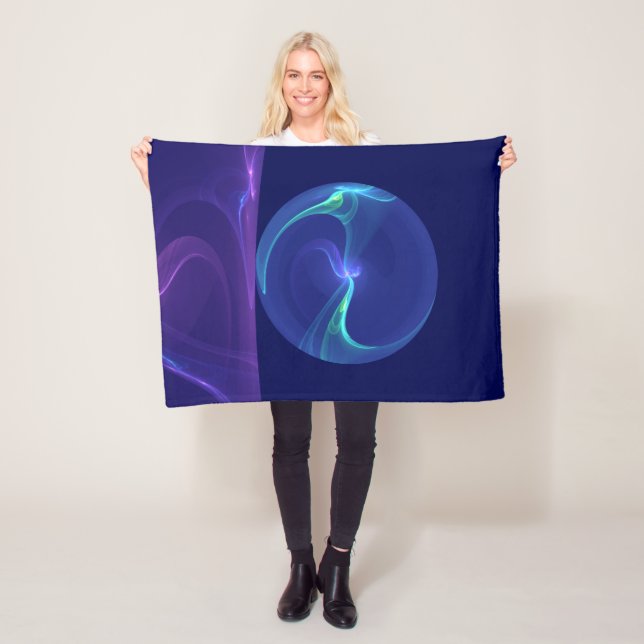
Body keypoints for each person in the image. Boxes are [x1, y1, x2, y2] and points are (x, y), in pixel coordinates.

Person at [130, 30, 517, 631]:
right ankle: (300, 563)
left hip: (360, 318)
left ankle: (338, 564)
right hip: (284, 317)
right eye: (294, 74)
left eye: (316, 74)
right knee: (290, 441)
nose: (305, 86)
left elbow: (424, 202)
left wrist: (484, 171)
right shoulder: (262, 151)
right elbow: (221, 222)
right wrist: (157, 175)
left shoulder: (364, 148)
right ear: (281, 83)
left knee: (357, 441)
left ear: (331, 81)